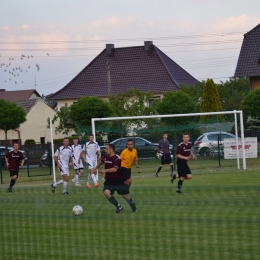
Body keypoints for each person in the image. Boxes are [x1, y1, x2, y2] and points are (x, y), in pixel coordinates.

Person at [91, 143, 137, 213]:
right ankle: (119, 206)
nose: (105, 150)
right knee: (106, 192)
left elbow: (115, 169)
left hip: (118, 180)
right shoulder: (106, 157)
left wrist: (105, 170)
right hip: (109, 181)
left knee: (124, 196)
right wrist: (95, 168)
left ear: (111, 149)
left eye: (106, 149)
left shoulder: (117, 158)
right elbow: (101, 161)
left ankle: (134, 208)